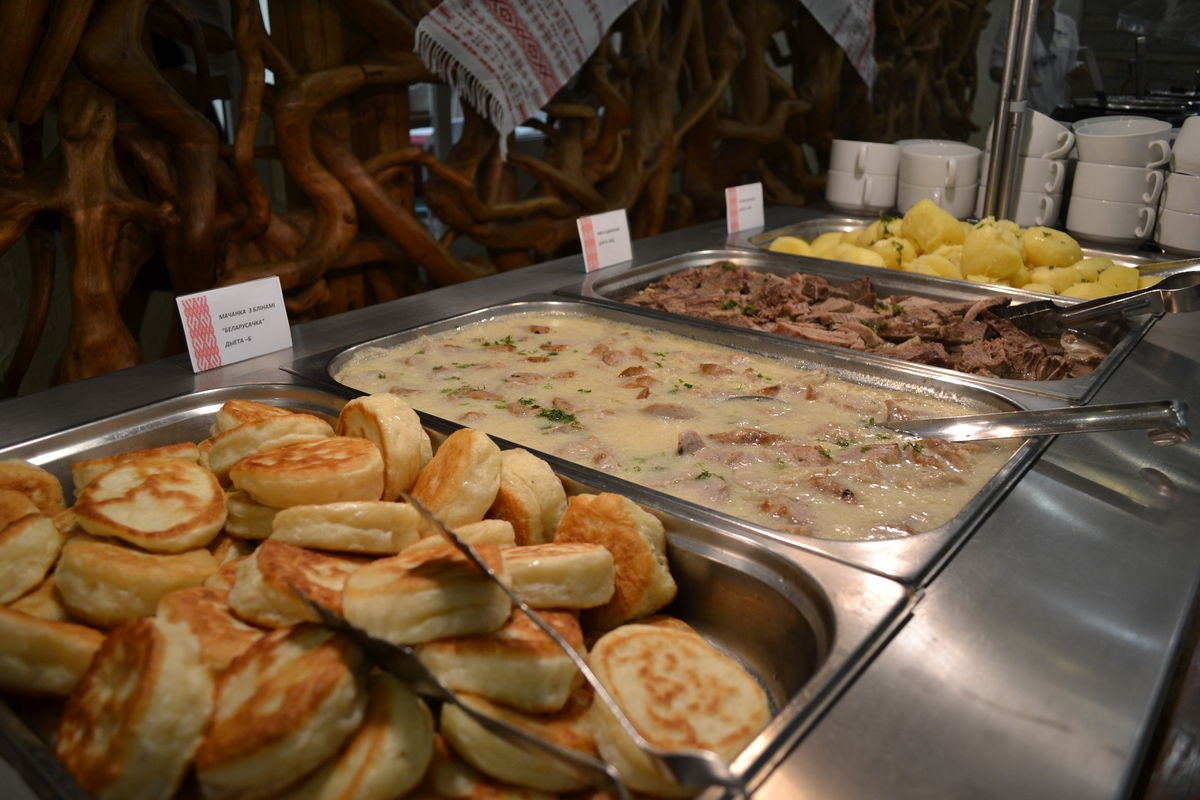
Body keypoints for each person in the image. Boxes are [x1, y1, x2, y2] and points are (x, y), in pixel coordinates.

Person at [989, 0, 1087, 116]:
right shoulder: (1013, 23)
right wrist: (1018, 77)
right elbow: (996, 69)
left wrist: (1077, 73)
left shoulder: (1068, 24)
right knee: (1019, 123)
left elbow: (1071, 65)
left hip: (1057, 108)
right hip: (1020, 107)